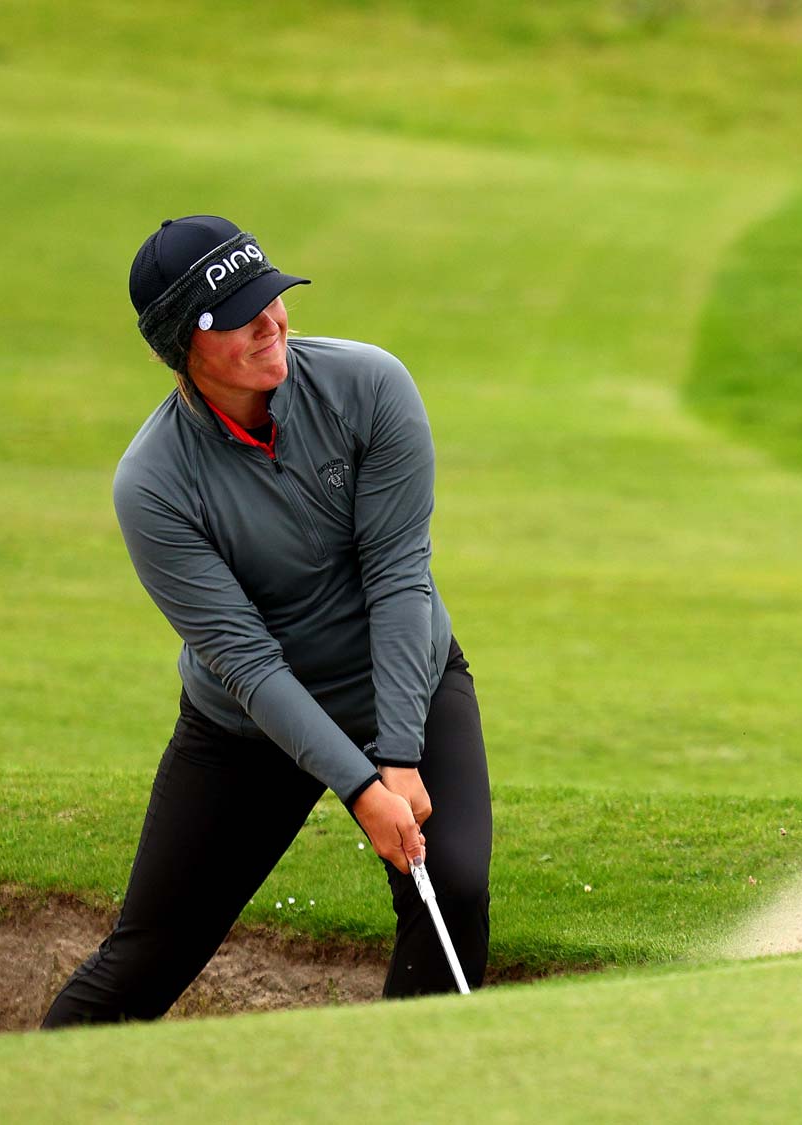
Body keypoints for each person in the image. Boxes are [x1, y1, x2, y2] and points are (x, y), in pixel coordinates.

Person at [41, 215, 491, 1027]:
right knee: (146, 960)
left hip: (404, 686)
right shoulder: (152, 483)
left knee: (451, 891)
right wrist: (358, 786)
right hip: (247, 729)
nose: (271, 322)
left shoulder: (370, 385)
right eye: (238, 315)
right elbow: (247, 664)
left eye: (273, 298)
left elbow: (397, 575)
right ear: (183, 346)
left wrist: (394, 754)